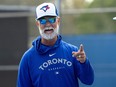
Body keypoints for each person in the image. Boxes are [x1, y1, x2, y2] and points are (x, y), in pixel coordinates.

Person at [17, 2, 94, 87]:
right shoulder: (28, 58)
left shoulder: (73, 52)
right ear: (37, 24)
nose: (48, 24)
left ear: (58, 21)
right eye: (42, 21)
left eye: (51, 19)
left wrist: (84, 62)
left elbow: (88, 80)